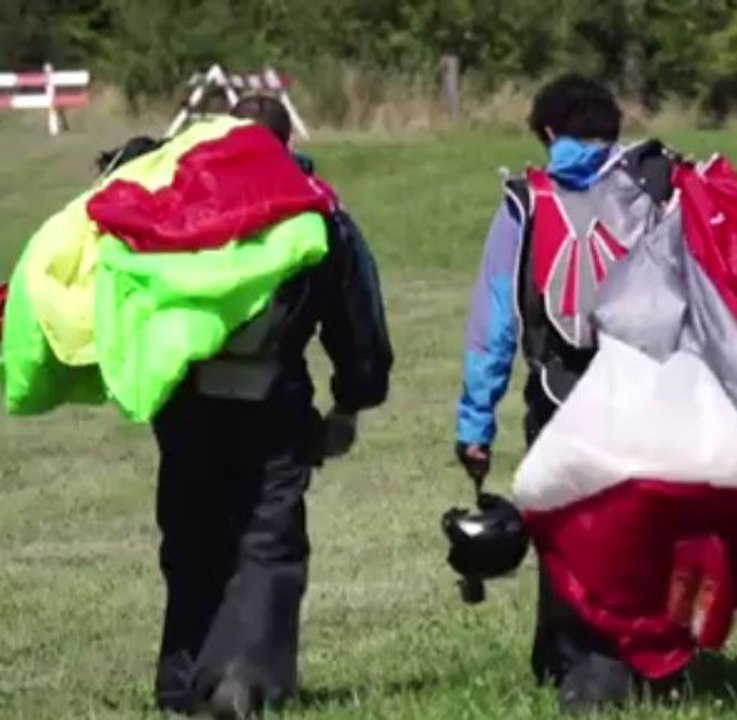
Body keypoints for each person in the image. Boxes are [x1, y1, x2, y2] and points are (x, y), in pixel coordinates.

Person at [147, 96, 393, 718]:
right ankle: (244, 675)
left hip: (186, 403)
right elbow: (355, 312)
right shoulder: (315, 208)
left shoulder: (179, 192)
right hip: (272, 400)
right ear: (284, 142)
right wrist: (354, 399)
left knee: (192, 538)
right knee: (269, 543)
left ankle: (181, 684)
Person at [452, 74, 678, 711]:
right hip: (645, 392)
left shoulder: (526, 201)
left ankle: (579, 662)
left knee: (564, 529)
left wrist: (475, 423)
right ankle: (635, 659)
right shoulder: (655, 187)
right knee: (636, 528)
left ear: (549, 134)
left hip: (555, 393)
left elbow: (494, 322)